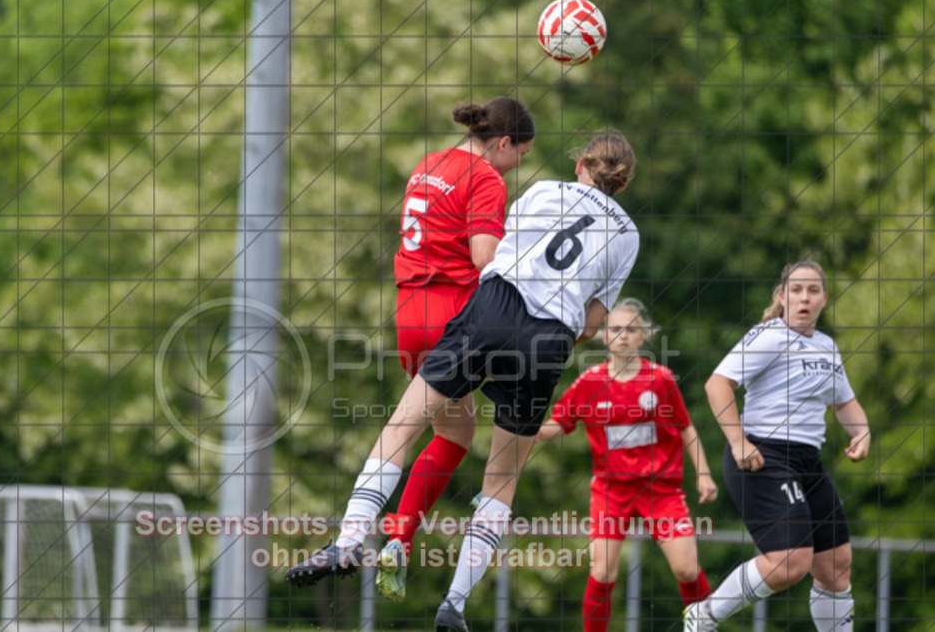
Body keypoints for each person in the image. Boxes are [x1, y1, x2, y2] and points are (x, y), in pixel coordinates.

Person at [286, 131, 641, 632]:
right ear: (622, 184)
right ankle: (454, 605)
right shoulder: (629, 235)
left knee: (403, 426)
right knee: (501, 481)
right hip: (549, 340)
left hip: (494, 309)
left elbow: (491, 258)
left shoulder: (540, 192)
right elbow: (590, 324)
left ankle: (347, 543)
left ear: (581, 164)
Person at [285, 96, 536, 602]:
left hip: (410, 316)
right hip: (455, 313)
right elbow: (485, 260)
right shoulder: (487, 178)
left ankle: (391, 537)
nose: (520, 163)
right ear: (504, 142)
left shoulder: (430, 163)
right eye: (522, 152)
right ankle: (372, 536)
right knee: (489, 425)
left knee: (452, 430)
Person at [684, 261, 871, 631]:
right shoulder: (769, 336)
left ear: (824, 299)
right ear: (782, 297)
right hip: (763, 457)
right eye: (796, 290)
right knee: (790, 562)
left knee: (835, 566)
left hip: (807, 461)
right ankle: (703, 616)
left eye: (813, 290)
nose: (804, 297)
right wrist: (738, 443)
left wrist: (862, 432)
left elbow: (844, 402)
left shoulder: (826, 347)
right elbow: (717, 384)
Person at [539, 298, 717, 632]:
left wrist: (704, 475)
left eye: (630, 329)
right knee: (603, 572)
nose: (622, 335)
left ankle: (703, 626)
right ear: (603, 336)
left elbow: (686, 427)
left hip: (660, 491)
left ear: (642, 336)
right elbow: (557, 423)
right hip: (611, 491)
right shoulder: (590, 382)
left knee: (687, 571)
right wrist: (525, 432)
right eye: (615, 329)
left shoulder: (660, 379)